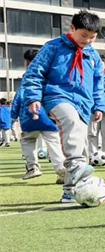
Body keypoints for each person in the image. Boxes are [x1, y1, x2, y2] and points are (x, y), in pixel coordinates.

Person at [21, 11, 105, 202]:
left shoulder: (93, 56)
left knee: (81, 144)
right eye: (83, 35)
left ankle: (70, 192)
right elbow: (34, 73)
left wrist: (99, 105)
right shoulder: (53, 47)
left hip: (84, 103)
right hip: (57, 96)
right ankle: (77, 165)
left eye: (92, 37)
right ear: (72, 29)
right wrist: (33, 97)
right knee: (69, 120)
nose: (87, 40)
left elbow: (98, 83)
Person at [11, 49, 66, 183]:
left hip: (28, 115)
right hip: (47, 115)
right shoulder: (49, 75)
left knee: (28, 140)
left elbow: (19, 96)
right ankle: (61, 169)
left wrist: (14, 114)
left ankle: (32, 167)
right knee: (54, 142)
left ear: (26, 62)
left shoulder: (28, 77)